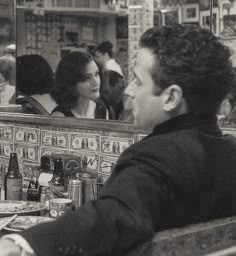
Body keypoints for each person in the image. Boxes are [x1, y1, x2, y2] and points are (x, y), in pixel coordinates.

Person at [1, 24, 236, 256]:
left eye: (138, 81)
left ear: (171, 97)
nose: (130, 90)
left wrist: (20, 244)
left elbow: (109, 217)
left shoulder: (156, 157)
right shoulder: (229, 153)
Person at [50, 51, 112, 120]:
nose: (95, 82)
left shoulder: (101, 109)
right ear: (71, 83)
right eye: (87, 78)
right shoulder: (59, 117)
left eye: (96, 74)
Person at [95, 41, 125, 119]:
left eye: (98, 57)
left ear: (106, 55)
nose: (96, 60)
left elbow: (110, 92)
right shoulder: (115, 65)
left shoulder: (109, 68)